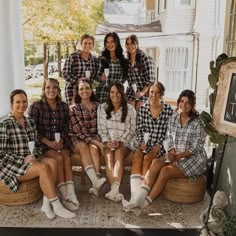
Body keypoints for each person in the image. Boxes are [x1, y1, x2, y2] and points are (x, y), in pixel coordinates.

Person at [0, 89, 76, 219]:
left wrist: (35, 155)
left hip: (30, 161)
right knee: (44, 168)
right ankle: (57, 206)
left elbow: (36, 145)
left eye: (24, 101)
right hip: (12, 166)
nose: (22, 105)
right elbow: (1, 153)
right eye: (18, 102)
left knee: (53, 162)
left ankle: (46, 205)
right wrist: (23, 159)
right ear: (11, 104)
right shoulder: (4, 125)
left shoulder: (30, 123)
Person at [126, 90, 207, 209]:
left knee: (165, 171)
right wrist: (172, 151)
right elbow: (169, 137)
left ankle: (145, 203)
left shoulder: (198, 123)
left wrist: (177, 156)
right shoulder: (174, 118)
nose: (184, 105)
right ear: (178, 101)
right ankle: (139, 197)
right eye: (182, 101)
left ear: (192, 105)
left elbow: (195, 148)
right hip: (176, 155)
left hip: (193, 159)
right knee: (156, 162)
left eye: (188, 103)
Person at [28, 78, 79, 211]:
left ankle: (71, 193)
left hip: (60, 143)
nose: (51, 90)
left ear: (58, 90)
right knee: (58, 158)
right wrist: (48, 142)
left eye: (55, 87)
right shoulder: (36, 106)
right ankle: (65, 194)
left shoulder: (63, 106)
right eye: (48, 87)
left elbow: (66, 127)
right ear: (44, 90)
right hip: (43, 143)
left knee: (66, 157)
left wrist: (61, 140)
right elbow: (32, 130)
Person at [122, 82, 173, 208]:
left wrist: (160, 146)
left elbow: (170, 133)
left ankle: (141, 195)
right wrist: (142, 143)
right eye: (151, 92)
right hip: (146, 145)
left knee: (147, 158)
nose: (154, 95)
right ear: (148, 93)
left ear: (161, 94)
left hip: (161, 147)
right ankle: (135, 196)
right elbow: (139, 130)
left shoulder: (168, 110)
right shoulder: (143, 109)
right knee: (138, 154)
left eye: (157, 92)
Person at [97, 81, 136, 201]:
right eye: (112, 92)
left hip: (125, 142)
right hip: (109, 141)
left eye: (118, 92)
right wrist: (107, 141)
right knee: (109, 156)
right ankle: (115, 191)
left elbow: (132, 130)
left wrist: (121, 142)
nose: (115, 95)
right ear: (109, 93)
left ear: (122, 93)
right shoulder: (102, 108)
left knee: (118, 153)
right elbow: (101, 129)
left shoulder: (130, 109)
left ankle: (113, 190)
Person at [69, 78, 106, 197]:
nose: (84, 91)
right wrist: (96, 142)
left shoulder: (98, 106)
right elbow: (80, 132)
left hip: (94, 137)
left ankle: (96, 183)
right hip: (77, 138)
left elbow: (102, 126)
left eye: (87, 88)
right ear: (78, 92)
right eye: (81, 89)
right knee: (88, 145)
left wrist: (99, 141)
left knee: (94, 148)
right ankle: (96, 181)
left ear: (91, 90)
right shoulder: (74, 108)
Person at [63, 34, 98, 104]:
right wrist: (77, 81)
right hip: (72, 91)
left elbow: (94, 76)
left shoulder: (94, 59)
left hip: (86, 92)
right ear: (81, 44)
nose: (87, 45)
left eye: (90, 43)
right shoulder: (73, 57)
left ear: (93, 45)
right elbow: (65, 74)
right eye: (85, 43)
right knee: (73, 112)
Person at [95, 32, 128, 104]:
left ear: (117, 42)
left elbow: (124, 78)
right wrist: (101, 77)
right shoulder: (102, 59)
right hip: (103, 94)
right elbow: (96, 77)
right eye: (107, 42)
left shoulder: (123, 61)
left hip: (118, 94)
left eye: (112, 41)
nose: (109, 44)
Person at [125, 34, 155, 111]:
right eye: (127, 44)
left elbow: (151, 80)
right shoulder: (126, 61)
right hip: (131, 92)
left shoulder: (145, 58)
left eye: (132, 43)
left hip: (145, 92)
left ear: (137, 44)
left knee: (139, 109)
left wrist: (142, 92)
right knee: (129, 110)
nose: (130, 46)